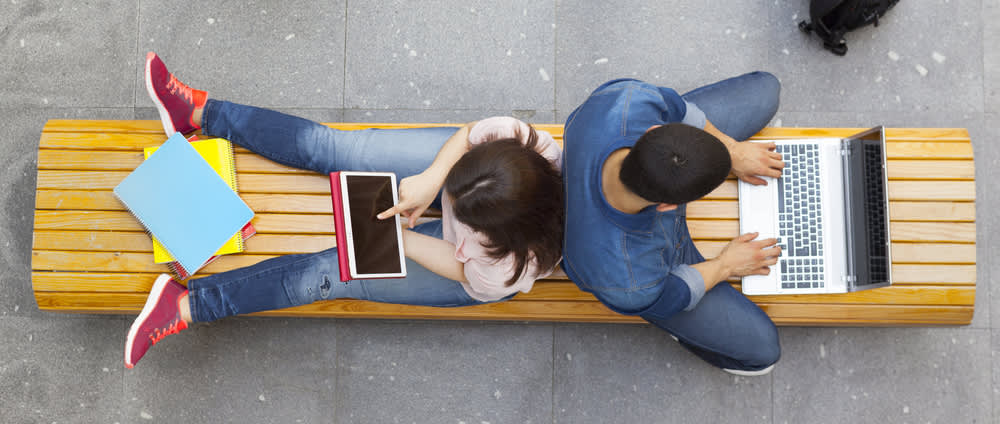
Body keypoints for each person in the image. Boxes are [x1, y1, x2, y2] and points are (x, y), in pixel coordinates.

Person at [125, 53, 564, 368]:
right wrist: (434, 178)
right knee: (336, 147)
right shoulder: (528, 145)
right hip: (475, 196)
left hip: (464, 268)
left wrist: (399, 241)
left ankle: (187, 307)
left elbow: (465, 271)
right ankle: (198, 113)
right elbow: (469, 137)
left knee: (331, 275)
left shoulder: (508, 266)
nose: (445, 202)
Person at [561, 74, 784, 376]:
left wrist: (733, 151)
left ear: (655, 130)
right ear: (669, 207)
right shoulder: (626, 277)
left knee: (767, 89)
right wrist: (727, 265)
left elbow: (676, 107)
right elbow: (670, 297)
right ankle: (685, 334)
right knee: (764, 353)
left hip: (634, 169)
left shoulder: (628, 100)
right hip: (665, 263)